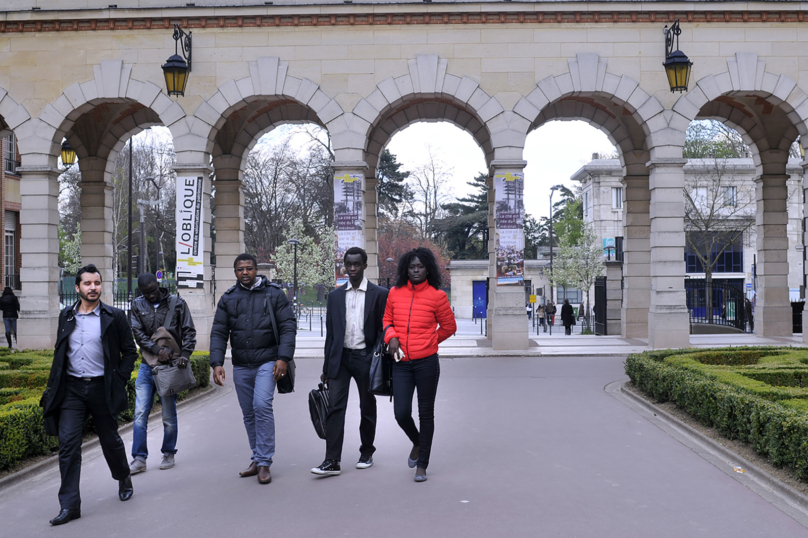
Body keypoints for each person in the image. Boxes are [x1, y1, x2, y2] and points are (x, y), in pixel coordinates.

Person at [40, 264, 138, 526]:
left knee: (110, 441)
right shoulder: (66, 316)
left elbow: (130, 351)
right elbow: (60, 353)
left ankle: (123, 475)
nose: (93, 287)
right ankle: (70, 505)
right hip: (71, 390)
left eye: (97, 283)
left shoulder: (114, 316)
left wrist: (119, 378)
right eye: (87, 283)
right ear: (77, 287)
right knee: (68, 446)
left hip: (101, 388)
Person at [210, 253, 296, 485]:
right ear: (235, 272)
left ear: (256, 269)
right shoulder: (228, 298)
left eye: (249, 268)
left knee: (261, 405)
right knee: (249, 413)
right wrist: (217, 362)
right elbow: (219, 331)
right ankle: (257, 457)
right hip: (241, 364)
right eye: (240, 269)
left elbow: (288, 326)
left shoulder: (274, 294)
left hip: (268, 360)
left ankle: (265, 461)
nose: (245, 272)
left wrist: (283, 358)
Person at [311, 247, 388, 477]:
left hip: (365, 358)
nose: (352, 268)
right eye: (348, 264)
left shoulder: (379, 293)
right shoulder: (335, 296)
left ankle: (366, 452)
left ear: (365, 265)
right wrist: (326, 368)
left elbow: (384, 329)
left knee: (367, 406)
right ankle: (332, 460)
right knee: (335, 408)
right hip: (340, 360)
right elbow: (331, 334)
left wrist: (376, 356)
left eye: (356, 264)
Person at [384, 248, 456, 482]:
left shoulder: (437, 296)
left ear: (428, 269)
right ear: (406, 268)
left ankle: (422, 463)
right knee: (401, 413)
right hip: (401, 363)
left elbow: (449, 327)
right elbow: (386, 320)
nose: (415, 270)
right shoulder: (394, 293)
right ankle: (417, 441)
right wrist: (391, 337)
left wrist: (429, 341)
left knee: (426, 413)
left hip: (426, 363)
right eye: (412, 267)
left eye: (420, 266)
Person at [128, 273, 196, 474]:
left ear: (158, 285)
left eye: (153, 291)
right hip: (147, 365)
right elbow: (138, 334)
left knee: (168, 413)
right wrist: (158, 350)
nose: (150, 296)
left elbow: (189, 330)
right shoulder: (137, 305)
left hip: (170, 367)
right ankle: (139, 458)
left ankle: (168, 452)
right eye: (145, 293)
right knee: (140, 414)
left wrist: (185, 354)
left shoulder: (177, 303)